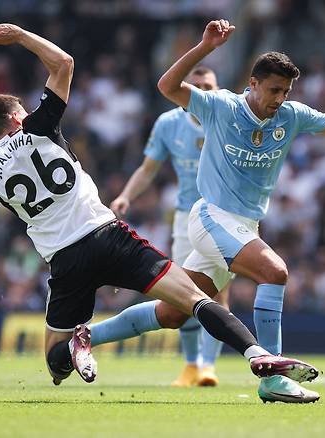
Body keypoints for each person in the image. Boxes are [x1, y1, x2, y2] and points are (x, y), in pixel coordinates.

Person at [0, 23, 319, 395]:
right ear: (16, 117)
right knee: (196, 300)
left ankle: (78, 340)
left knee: (54, 365)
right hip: (111, 235)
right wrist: (20, 36)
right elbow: (63, 62)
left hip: (65, 261)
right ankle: (257, 354)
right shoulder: (41, 125)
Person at [88, 19, 325, 403]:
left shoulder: (291, 115)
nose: (279, 99)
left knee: (174, 313)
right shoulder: (221, 106)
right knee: (274, 271)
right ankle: (272, 377)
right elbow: (167, 87)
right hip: (210, 216)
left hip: (243, 224)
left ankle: (83, 336)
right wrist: (205, 47)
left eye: (285, 91)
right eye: (273, 90)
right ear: (252, 84)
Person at [108, 66, 228, 387]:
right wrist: (125, 196)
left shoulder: (227, 117)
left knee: (218, 291)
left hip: (225, 216)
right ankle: (190, 365)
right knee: (181, 292)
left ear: (218, 90)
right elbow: (148, 169)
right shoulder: (168, 124)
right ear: (186, 92)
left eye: (209, 86)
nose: (203, 92)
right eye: (197, 86)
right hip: (186, 218)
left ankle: (208, 366)